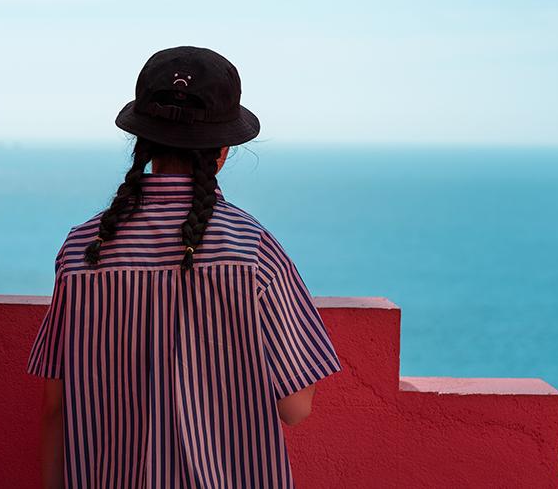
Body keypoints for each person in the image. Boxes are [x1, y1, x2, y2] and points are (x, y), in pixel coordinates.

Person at [27, 46, 342, 488]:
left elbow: (56, 408)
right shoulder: (252, 250)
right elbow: (296, 408)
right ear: (223, 151)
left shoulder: (84, 249)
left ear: (143, 142)